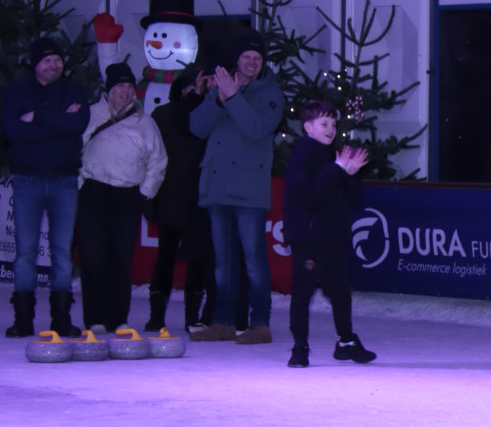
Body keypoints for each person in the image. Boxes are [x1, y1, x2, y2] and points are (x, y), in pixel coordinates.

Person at [190, 29, 285, 344]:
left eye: (257, 57)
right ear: (238, 59)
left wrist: (232, 98)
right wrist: (219, 99)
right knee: (223, 262)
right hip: (217, 186)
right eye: (246, 56)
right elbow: (196, 127)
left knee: (254, 261)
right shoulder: (223, 87)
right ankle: (223, 322)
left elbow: (256, 129)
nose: (252, 62)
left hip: (249, 191)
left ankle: (260, 324)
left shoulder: (272, 95)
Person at [1, 36, 89, 337]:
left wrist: (37, 118)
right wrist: (59, 123)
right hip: (28, 180)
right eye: (48, 60)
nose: (54, 65)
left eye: (58, 59)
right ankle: (23, 319)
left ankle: (61, 319)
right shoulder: (17, 91)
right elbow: (12, 130)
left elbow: (78, 125)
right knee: (25, 251)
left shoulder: (74, 89)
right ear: (35, 63)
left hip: (65, 180)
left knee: (62, 251)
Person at [74, 63, 166, 333]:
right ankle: (95, 318)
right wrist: (80, 185)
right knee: (92, 256)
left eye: (129, 86)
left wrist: (144, 192)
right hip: (94, 192)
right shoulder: (90, 115)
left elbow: (158, 161)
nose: (125, 91)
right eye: (119, 86)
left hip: (127, 196)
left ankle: (117, 318)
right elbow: (72, 150)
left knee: (121, 257)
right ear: (109, 89)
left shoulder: (145, 123)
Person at [283, 101, 375, 368]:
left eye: (333, 124)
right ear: (308, 127)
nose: (331, 129)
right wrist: (337, 169)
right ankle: (299, 347)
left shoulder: (332, 155)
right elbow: (307, 195)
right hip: (309, 237)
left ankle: (345, 342)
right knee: (303, 293)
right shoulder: (303, 153)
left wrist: (351, 174)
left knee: (340, 292)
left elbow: (351, 199)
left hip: (333, 236)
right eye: (324, 124)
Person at [144, 71, 217, 332]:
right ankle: (156, 315)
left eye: (197, 88)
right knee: (165, 255)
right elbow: (151, 155)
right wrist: (150, 194)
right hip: (170, 196)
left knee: (197, 258)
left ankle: (192, 316)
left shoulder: (209, 115)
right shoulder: (163, 115)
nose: (192, 92)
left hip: (199, 197)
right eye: (187, 88)